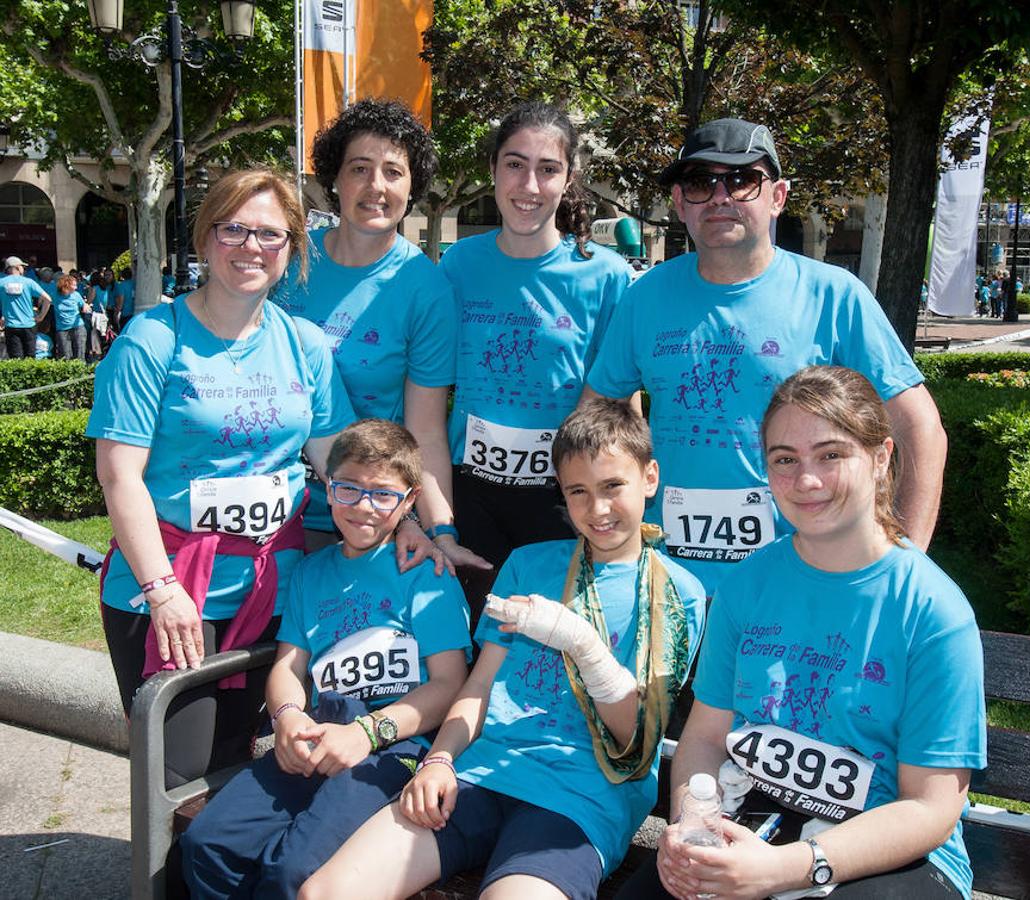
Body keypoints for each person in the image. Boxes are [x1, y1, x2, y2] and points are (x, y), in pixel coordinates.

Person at [301, 399, 707, 900]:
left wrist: (581, 643)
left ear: (650, 478)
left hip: (579, 798)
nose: (597, 509)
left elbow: (636, 739)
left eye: (612, 486)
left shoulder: (674, 592)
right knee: (324, 893)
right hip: (481, 772)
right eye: (578, 491)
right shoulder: (529, 564)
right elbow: (479, 686)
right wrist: (440, 760)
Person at [617, 365, 986, 900]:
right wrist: (693, 828)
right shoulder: (748, 585)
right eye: (784, 459)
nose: (805, 481)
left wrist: (785, 869)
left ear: (881, 458)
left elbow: (930, 807)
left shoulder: (933, 613)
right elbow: (703, 737)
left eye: (831, 455)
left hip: (889, 854)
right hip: (753, 819)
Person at [585, 118, 946, 599]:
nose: (720, 196)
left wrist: (906, 558)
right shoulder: (645, 296)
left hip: (804, 583)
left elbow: (919, 426)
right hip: (669, 586)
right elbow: (596, 417)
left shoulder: (833, 296)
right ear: (679, 204)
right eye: (699, 183)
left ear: (777, 196)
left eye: (741, 180)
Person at [86, 168, 356, 788]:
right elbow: (119, 476)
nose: (251, 247)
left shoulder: (306, 344)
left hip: (275, 589)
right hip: (173, 589)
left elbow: (337, 457)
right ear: (206, 238)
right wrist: (162, 590)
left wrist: (406, 521)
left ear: (292, 249)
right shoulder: (151, 340)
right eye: (234, 229)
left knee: (239, 762)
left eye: (270, 234)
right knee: (178, 776)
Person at [181, 419, 472, 898]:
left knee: (293, 870)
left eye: (383, 494)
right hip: (318, 733)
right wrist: (288, 717)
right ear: (327, 487)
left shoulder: (425, 574)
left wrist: (367, 733)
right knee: (208, 845)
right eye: (348, 489)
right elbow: (288, 666)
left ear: (409, 499)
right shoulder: (310, 573)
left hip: (396, 744)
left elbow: (448, 684)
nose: (363, 506)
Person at [272, 98, 479, 575]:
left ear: (413, 186)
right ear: (335, 179)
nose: (376, 187)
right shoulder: (287, 261)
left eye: (393, 172)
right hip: (276, 515)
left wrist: (440, 530)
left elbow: (423, 428)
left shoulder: (425, 288)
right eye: (359, 168)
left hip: (374, 521)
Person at [442, 101, 633, 616]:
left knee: (558, 649)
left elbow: (621, 403)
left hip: (563, 499)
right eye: (515, 164)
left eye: (548, 169)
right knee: (480, 646)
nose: (529, 185)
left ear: (568, 178)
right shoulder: (457, 264)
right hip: (472, 496)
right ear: (493, 171)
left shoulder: (606, 276)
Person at [0, 255, 51, 358]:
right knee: (30, 357)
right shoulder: (29, 282)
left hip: (11, 325)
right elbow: (48, 299)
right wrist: (41, 316)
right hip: (29, 324)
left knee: (15, 358)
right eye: (23, 267)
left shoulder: (1, 283)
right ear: (18, 267)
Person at [52, 273, 90, 361]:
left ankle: (81, 372)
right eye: (74, 285)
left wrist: (85, 307)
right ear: (66, 285)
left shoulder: (76, 295)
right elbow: (46, 300)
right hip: (62, 328)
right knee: (65, 355)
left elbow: (84, 304)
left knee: (80, 353)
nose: (76, 287)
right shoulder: (55, 295)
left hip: (78, 326)